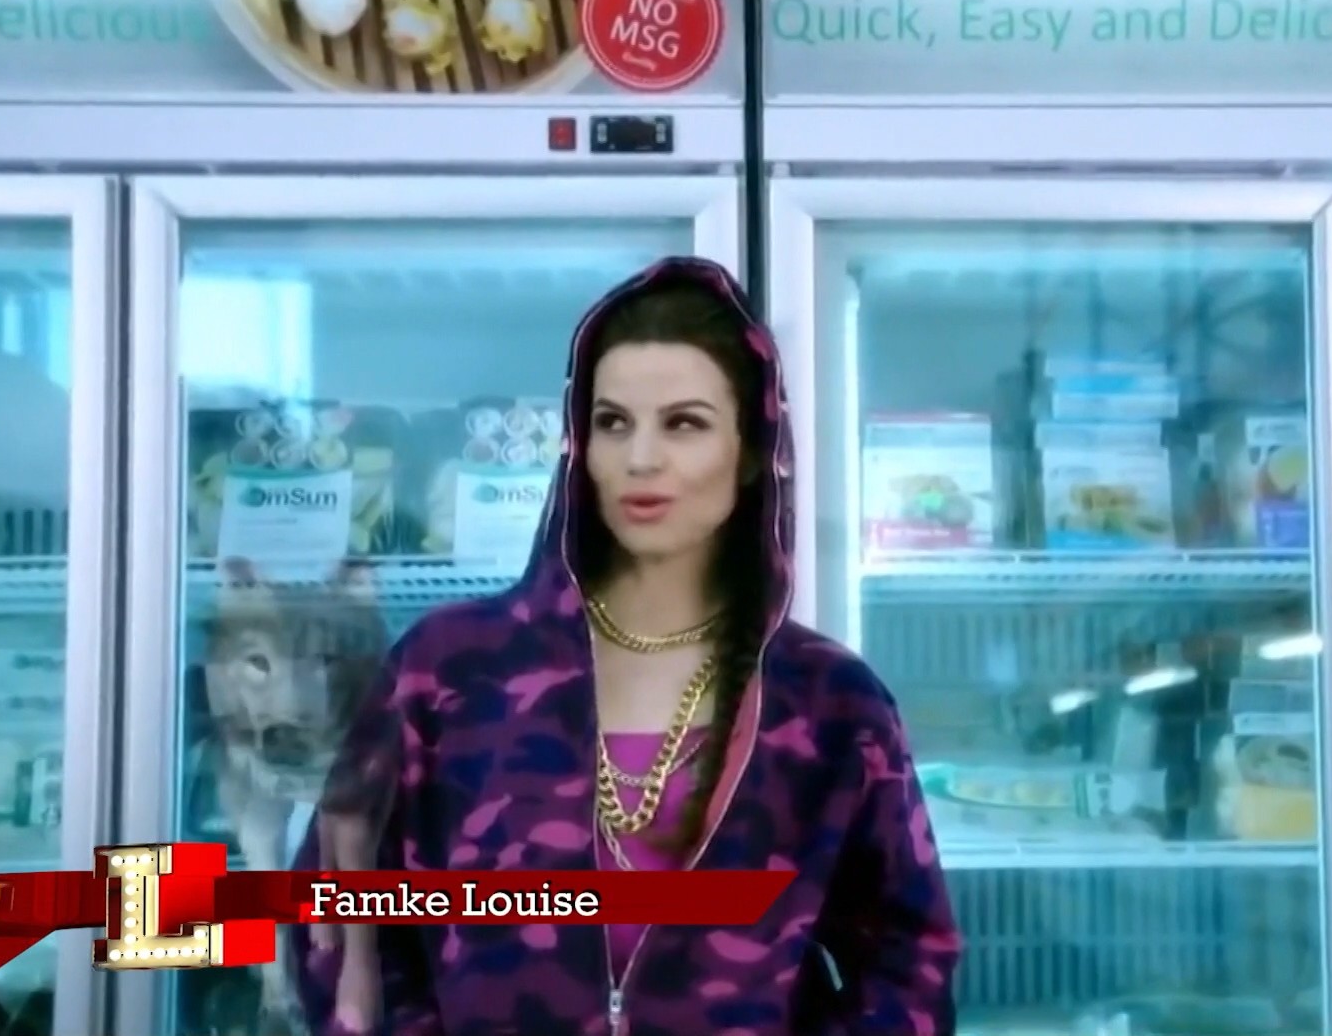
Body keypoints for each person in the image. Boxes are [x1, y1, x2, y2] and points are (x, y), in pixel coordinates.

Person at [289, 257, 962, 1036]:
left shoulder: (829, 703)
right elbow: (332, 915)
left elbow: (910, 960)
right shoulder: (446, 672)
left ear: (752, 451)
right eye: (613, 422)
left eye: (684, 423)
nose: (641, 458)